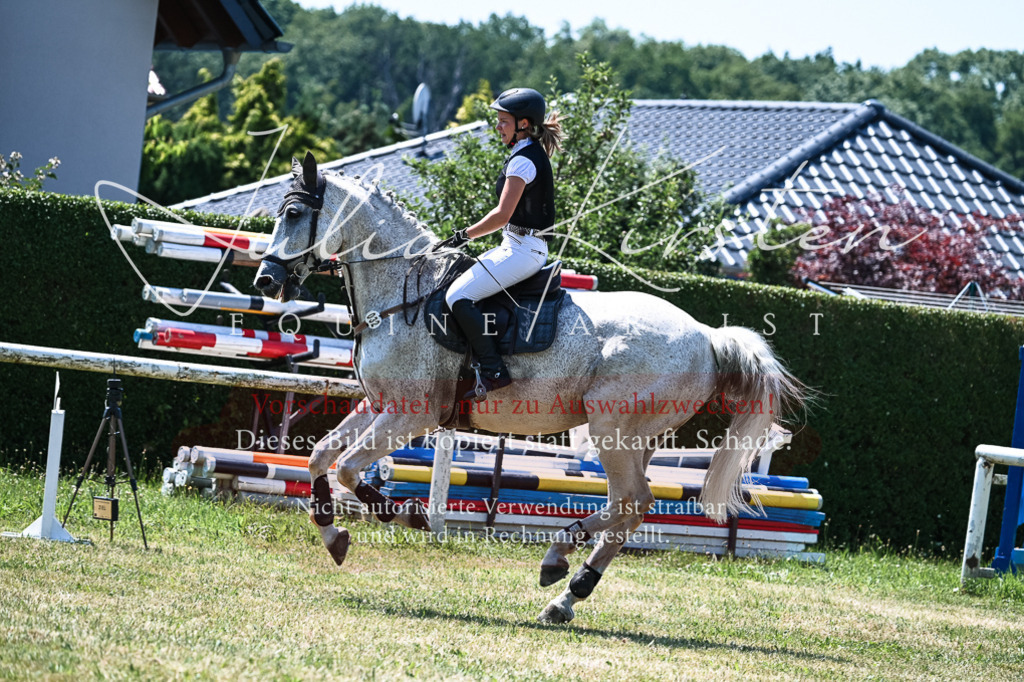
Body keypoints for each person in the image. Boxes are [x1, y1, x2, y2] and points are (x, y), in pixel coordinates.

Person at [441, 87, 562, 399]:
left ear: (523, 124)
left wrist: (462, 236)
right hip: (517, 247)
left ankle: (495, 371)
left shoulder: (524, 161)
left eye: (503, 121)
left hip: (523, 251)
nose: (497, 126)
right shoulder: (523, 152)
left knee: (457, 296)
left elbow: (501, 215)